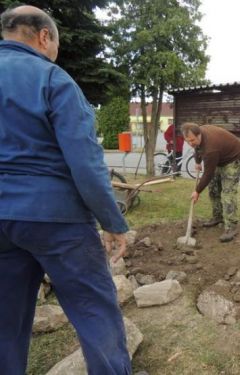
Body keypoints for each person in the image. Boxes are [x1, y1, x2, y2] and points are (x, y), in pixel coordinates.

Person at [0, 5, 132, 374]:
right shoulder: (53, 80)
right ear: (44, 36)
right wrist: (113, 222)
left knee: (4, 320)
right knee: (94, 308)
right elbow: (86, 164)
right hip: (56, 218)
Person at [181, 122, 240, 242]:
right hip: (220, 158)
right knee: (213, 189)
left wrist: (197, 191)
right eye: (187, 141)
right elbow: (197, 148)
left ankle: (231, 227)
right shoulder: (198, 136)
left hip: (234, 158)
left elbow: (208, 174)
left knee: (228, 193)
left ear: (199, 135)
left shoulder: (211, 148)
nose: (190, 143)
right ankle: (218, 217)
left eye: (192, 140)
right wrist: (197, 161)